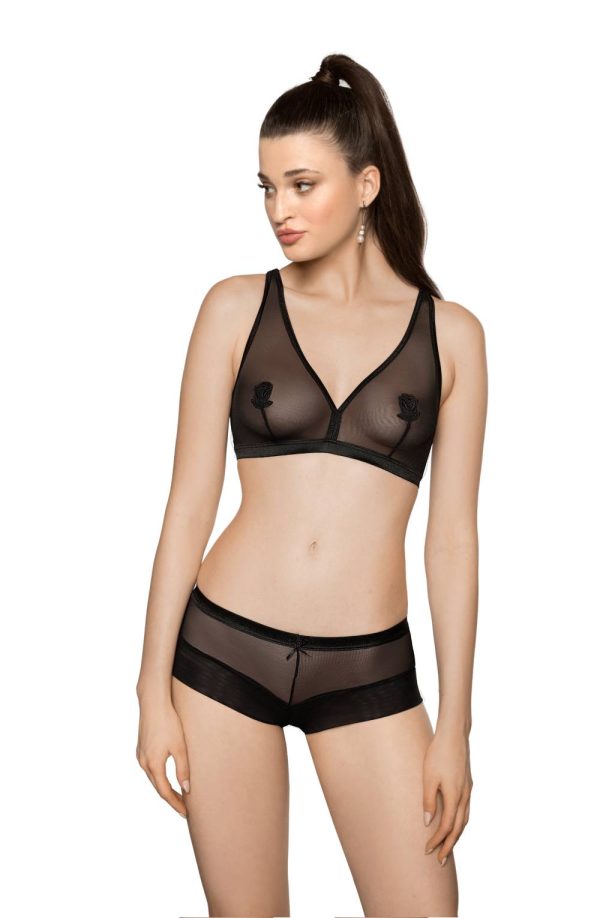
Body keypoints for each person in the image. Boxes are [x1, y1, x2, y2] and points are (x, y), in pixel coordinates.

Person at [135, 52, 486, 918]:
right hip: (224, 653)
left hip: (369, 669)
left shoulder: (452, 337)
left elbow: (452, 540)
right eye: (266, 188)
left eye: (301, 185)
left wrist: (454, 725)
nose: (278, 212)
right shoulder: (233, 307)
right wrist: (149, 690)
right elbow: (187, 508)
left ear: (367, 185)